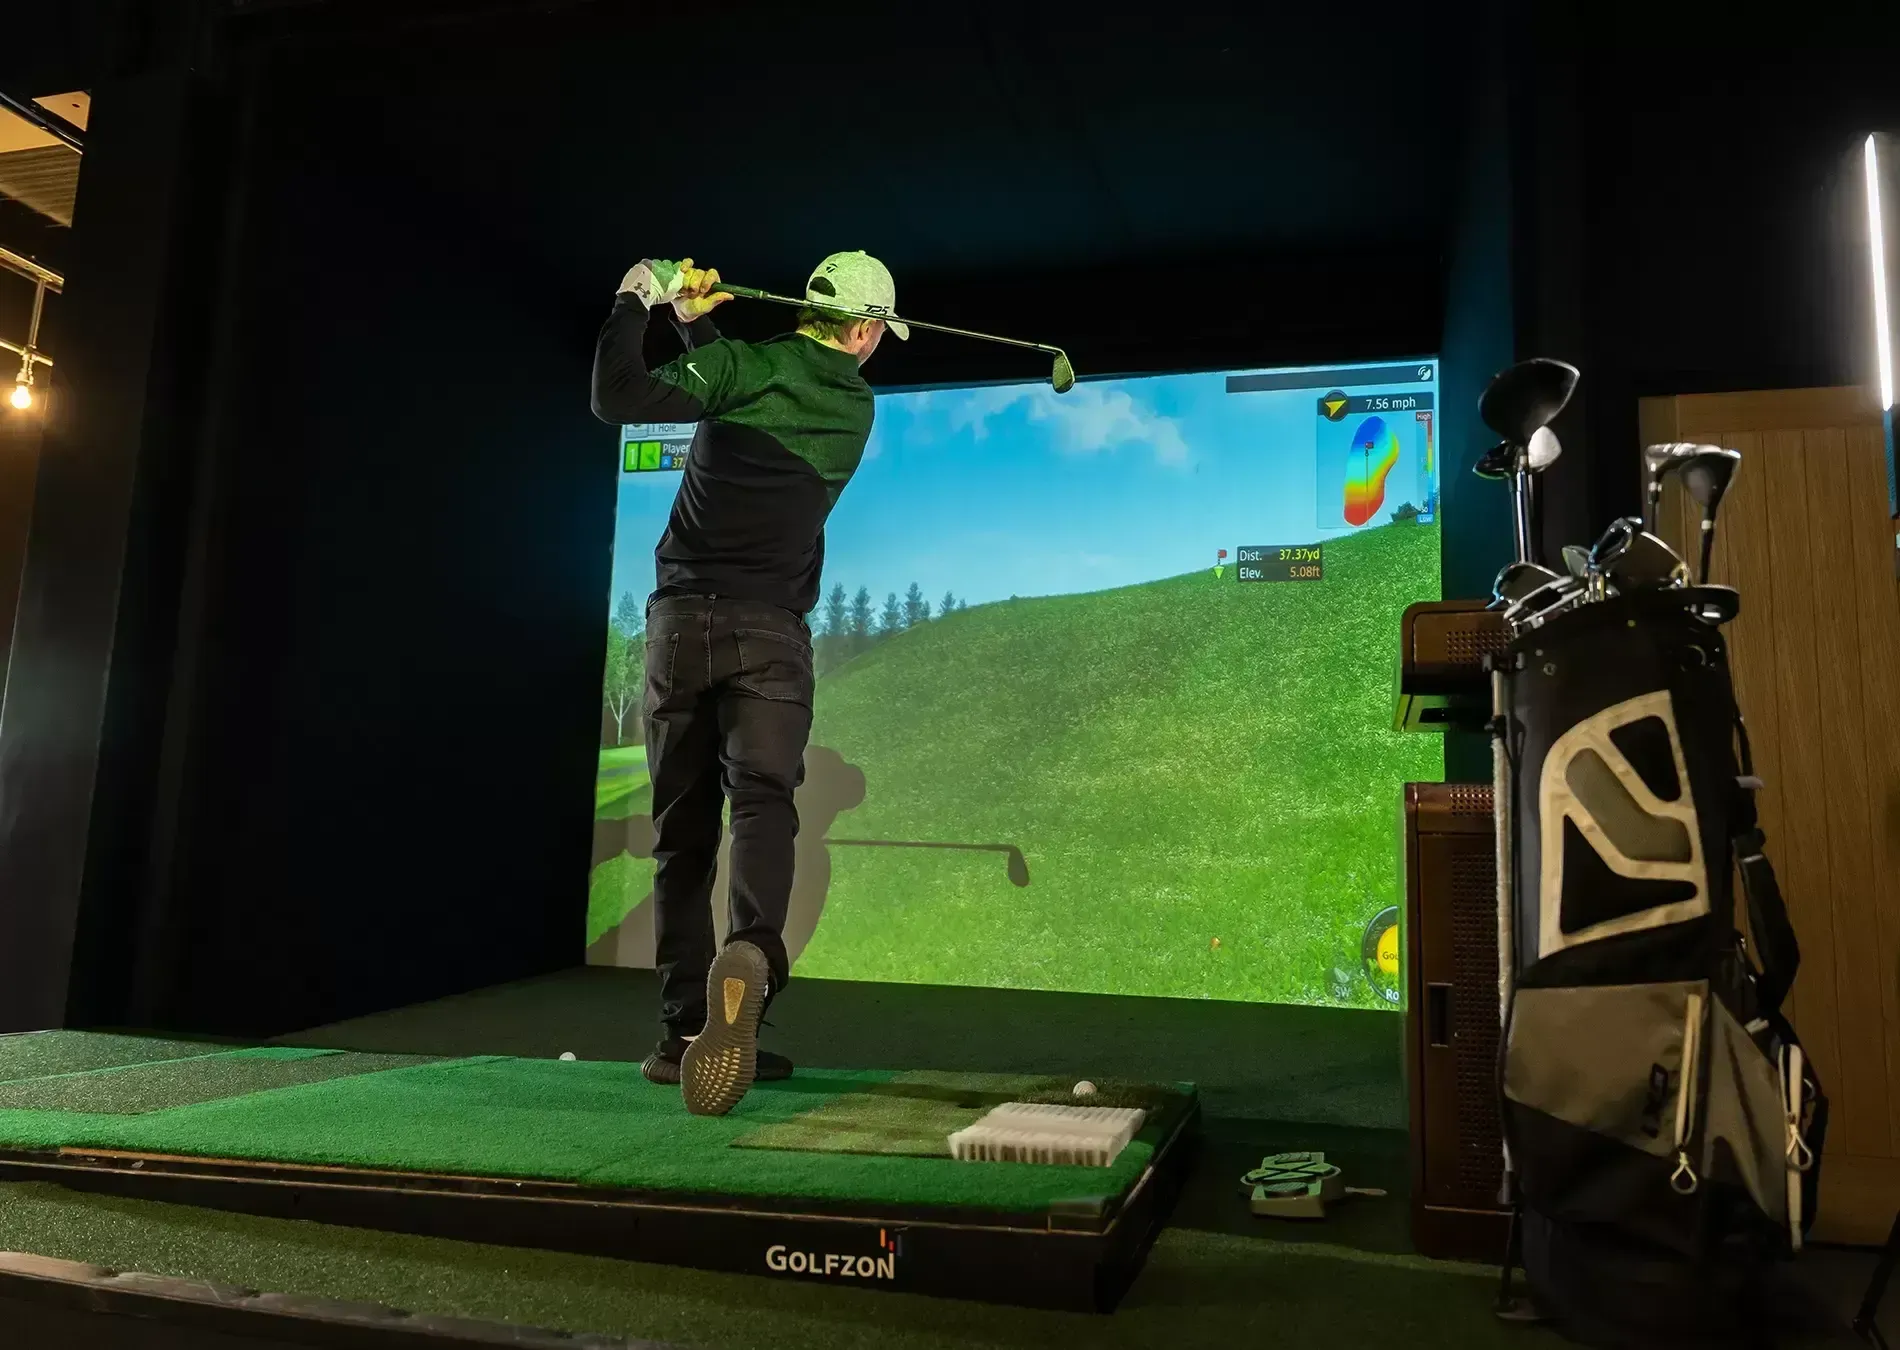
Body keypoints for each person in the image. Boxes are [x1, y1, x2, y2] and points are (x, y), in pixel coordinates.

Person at [589, 251, 905, 1115]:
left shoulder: (743, 367)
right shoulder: (855, 404)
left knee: (681, 837)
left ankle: (680, 1034)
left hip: (679, 628)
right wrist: (698, 324)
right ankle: (753, 962)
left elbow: (620, 395)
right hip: (770, 635)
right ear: (866, 330)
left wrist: (641, 300)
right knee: (764, 805)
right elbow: (763, 385)